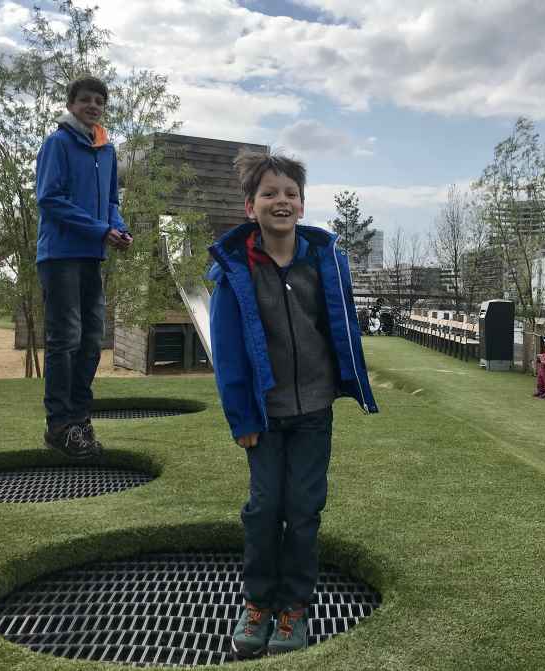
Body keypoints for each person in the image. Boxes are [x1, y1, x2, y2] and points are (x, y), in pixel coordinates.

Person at [208, 149, 378, 658]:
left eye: (290, 194)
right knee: (264, 509)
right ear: (250, 207)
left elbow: (338, 326)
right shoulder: (235, 270)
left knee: (304, 510)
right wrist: (241, 417)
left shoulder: (322, 262)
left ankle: (293, 608)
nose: (280, 201)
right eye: (269, 194)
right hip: (264, 413)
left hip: (313, 412)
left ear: (301, 206)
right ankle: (258, 602)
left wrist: (348, 383)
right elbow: (230, 351)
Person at [35, 75, 132, 459]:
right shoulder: (57, 144)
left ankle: (79, 417)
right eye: (86, 100)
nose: (94, 106)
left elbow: (112, 201)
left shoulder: (106, 151)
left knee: (93, 338)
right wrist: (99, 229)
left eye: (100, 101)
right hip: (59, 256)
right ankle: (59, 425)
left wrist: (118, 228)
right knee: (66, 339)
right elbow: (49, 199)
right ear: (72, 104)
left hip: (93, 255)